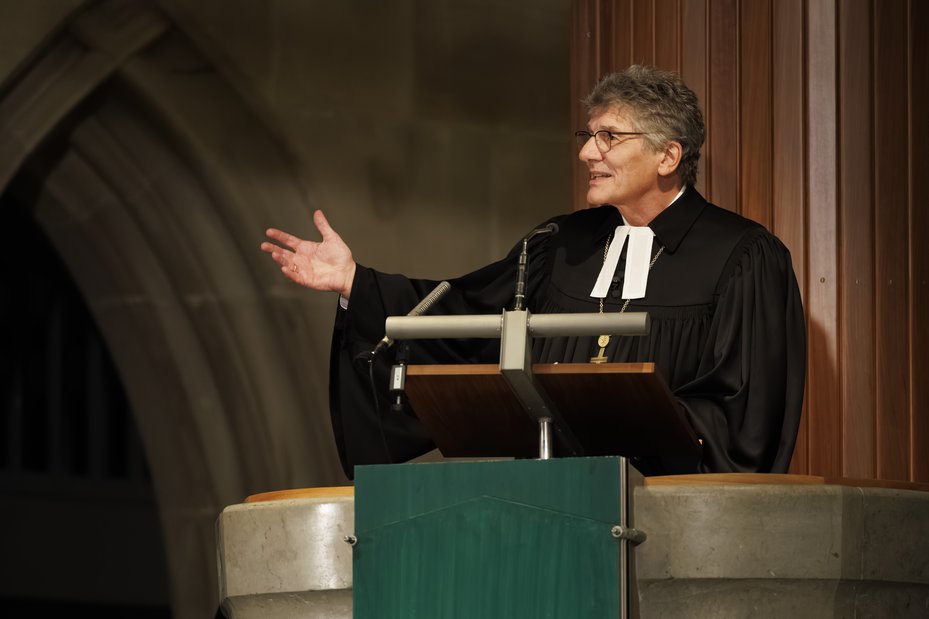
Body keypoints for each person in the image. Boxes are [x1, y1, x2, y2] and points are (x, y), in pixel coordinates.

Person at [261, 65, 806, 479]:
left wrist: (623, 420)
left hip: (666, 531)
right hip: (547, 503)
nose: (588, 152)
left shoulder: (742, 256)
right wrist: (357, 283)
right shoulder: (560, 243)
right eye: (587, 136)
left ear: (668, 157)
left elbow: (743, 415)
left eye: (609, 137)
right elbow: (467, 318)